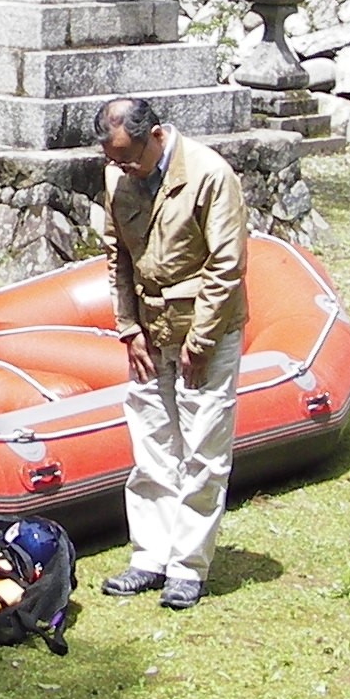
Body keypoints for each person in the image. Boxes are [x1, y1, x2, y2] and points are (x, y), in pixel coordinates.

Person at [95, 95, 247, 610]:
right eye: (114, 160)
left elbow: (227, 267)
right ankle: (149, 558)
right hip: (148, 330)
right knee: (151, 444)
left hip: (204, 329)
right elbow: (117, 257)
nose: (122, 169)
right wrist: (128, 329)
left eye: (129, 158)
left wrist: (201, 343)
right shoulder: (117, 176)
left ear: (155, 135)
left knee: (203, 446)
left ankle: (188, 566)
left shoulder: (209, 174)